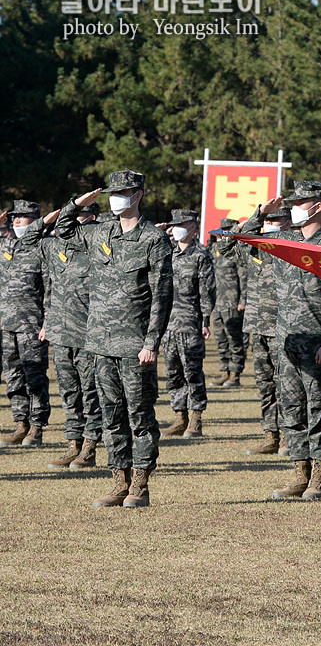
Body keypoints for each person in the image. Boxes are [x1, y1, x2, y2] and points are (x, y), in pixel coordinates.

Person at [56, 171, 173, 508]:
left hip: (135, 346)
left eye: (122, 192)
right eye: (111, 193)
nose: (115, 198)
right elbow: (63, 230)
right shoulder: (101, 231)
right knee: (111, 415)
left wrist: (151, 342)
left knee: (140, 415)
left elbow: (161, 296)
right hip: (100, 344)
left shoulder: (153, 239)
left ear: (137, 194)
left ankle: (140, 485)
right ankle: (119, 481)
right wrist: (79, 202)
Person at [242, 181, 321, 501]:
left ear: (318, 206)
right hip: (286, 341)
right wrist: (261, 213)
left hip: (318, 343)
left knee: (319, 410)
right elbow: (242, 241)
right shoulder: (284, 240)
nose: (296, 207)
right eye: (294, 202)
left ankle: (319, 478)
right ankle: (300, 474)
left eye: (303, 202)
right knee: (292, 410)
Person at [23, 203, 102, 468]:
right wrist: (49, 217)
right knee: (69, 393)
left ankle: (90, 448)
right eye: (66, 219)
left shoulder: (97, 247)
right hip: (60, 332)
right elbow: (28, 238)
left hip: (88, 334)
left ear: (91, 219)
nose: (68, 224)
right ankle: (73, 444)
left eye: (76, 218)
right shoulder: (55, 247)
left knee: (90, 393)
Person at [159, 209, 217, 439]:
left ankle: (195, 420)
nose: (177, 228)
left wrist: (205, 320)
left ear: (193, 227)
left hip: (191, 323)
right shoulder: (168, 252)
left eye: (182, 224)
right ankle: (179, 417)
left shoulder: (201, 255)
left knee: (192, 372)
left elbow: (207, 291)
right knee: (173, 373)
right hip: (168, 325)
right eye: (175, 224)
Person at [0, 200, 52, 447]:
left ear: (35, 221)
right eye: (14, 217)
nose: (16, 220)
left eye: (22, 217)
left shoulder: (43, 249)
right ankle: (21, 423)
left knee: (35, 377)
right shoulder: (7, 245)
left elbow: (50, 290)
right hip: (7, 325)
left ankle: (37, 427)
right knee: (13, 375)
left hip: (32, 325)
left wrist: (47, 323)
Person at [242, 206, 291, 455]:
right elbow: (242, 238)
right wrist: (260, 213)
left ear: (288, 223)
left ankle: (286, 436)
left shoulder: (292, 249)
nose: (270, 223)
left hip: (281, 327)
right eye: (268, 220)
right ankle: (270, 434)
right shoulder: (257, 247)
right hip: (257, 325)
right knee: (264, 384)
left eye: (276, 219)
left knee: (284, 384)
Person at [209, 219, 247, 387]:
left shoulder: (238, 251)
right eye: (223, 230)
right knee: (220, 339)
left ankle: (235, 374)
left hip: (232, 302)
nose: (224, 233)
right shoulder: (216, 249)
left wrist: (243, 300)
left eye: (227, 230)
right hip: (217, 302)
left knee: (234, 339)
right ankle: (224, 371)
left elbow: (243, 277)